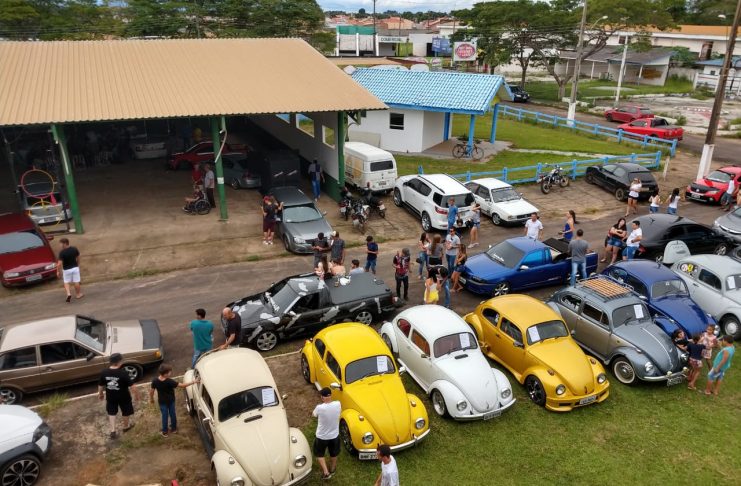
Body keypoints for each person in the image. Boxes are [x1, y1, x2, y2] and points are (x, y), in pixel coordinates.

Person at [98, 353, 140, 439]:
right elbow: (133, 386)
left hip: (111, 397)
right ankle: (126, 427)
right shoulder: (123, 373)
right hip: (124, 397)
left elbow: (100, 385)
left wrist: (101, 394)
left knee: (111, 412)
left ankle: (113, 431)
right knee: (126, 411)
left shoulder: (104, 372)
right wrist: (136, 395)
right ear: (119, 362)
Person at [149, 364, 198, 437]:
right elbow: (182, 385)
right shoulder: (169, 381)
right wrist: (194, 381)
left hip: (162, 402)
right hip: (171, 400)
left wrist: (151, 399)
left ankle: (165, 432)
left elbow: (151, 391)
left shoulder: (155, 381)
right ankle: (174, 429)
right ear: (165, 374)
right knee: (172, 414)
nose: (170, 373)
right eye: (169, 372)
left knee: (164, 416)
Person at [313, 387, 342, 480]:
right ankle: (332, 469)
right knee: (334, 453)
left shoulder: (319, 407)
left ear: (322, 397)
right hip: (334, 435)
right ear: (330, 395)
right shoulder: (338, 404)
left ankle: (326, 473)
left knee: (319, 454)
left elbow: (314, 414)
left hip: (322, 437)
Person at [57, 237, 83, 303]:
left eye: (61, 244)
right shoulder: (74, 249)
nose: (60, 245)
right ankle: (78, 294)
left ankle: (68, 294)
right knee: (76, 281)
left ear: (65, 243)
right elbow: (78, 257)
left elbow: (59, 264)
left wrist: (58, 271)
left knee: (66, 282)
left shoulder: (62, 252)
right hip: (75, 268)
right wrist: (78, 264)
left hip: (66, 270)